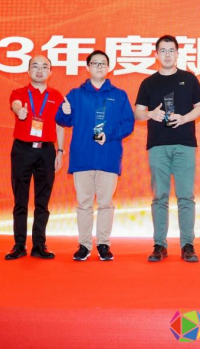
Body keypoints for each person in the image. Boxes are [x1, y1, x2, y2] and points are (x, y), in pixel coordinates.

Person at [56, 50, 135, 261]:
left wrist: (109, 135)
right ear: (87, 67)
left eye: (103, 63)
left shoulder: (119, 95)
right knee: (84, 204)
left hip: (108, 156)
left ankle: (103, 244)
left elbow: (128, 123)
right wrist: (64, 111)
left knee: (106, 203)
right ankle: (84, 245)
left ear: (108, 68)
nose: (99, 67)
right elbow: (63, 120)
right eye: (95, 63)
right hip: (82, 157)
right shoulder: (76, 94)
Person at [134, 35, 200, 262]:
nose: (167, 54)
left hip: (185, 144)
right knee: (160, 197)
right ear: (156, 54)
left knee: (186, 196)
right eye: (163, 51)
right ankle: (159, 245)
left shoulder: (189, 78)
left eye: (171, 50)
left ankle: (188, 245)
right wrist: (150, 114)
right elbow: (137, 113)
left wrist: (184, 118)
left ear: (177, 53)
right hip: (158, 145)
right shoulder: (148, 82)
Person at [5, 54, 64, 260]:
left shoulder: (56, 95)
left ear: (50, 71)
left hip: (46, 151)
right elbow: (16, 104)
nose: (40, 70)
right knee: (20, 199)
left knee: (43, 201)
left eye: (44, 67)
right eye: (35, 66)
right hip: (22, 150)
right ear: (28, 70)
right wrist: (19, 111)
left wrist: (60, 151)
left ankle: (39, 245)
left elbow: (60, 125)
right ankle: (19, 245)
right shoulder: (19, 93)